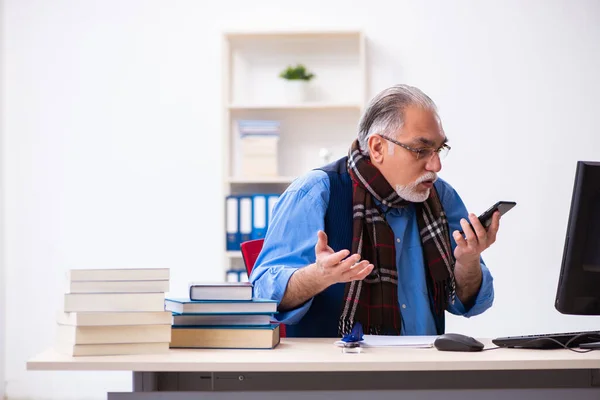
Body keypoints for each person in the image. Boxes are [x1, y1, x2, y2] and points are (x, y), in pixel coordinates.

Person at [249, 84, 499, 338]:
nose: (435, 165)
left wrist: (468, 263)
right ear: (378, 148)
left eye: (439, 150)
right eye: (421, 150)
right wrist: (318, 276)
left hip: (426, 368)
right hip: (338, 372)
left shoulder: (441, 197)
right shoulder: (314, 193)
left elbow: (468, 304)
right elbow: (262, 297)